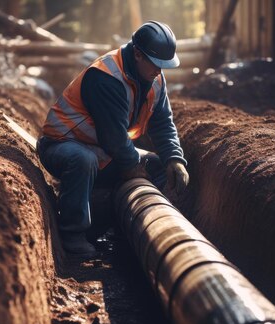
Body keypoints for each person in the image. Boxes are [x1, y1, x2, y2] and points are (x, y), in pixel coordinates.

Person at [37, 21, 189, 254]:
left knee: (158, 167)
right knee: (83, 160)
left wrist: (174, 159)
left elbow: (162, 122)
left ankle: (140, 232)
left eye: (165, 65)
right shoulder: (105, 76)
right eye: (157, 63)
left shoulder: (155, 78)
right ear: (137, 54)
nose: (160, 70)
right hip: (63, 145)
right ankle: (73, 233)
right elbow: (114, 137)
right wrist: (132, 166)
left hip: (103, 150)